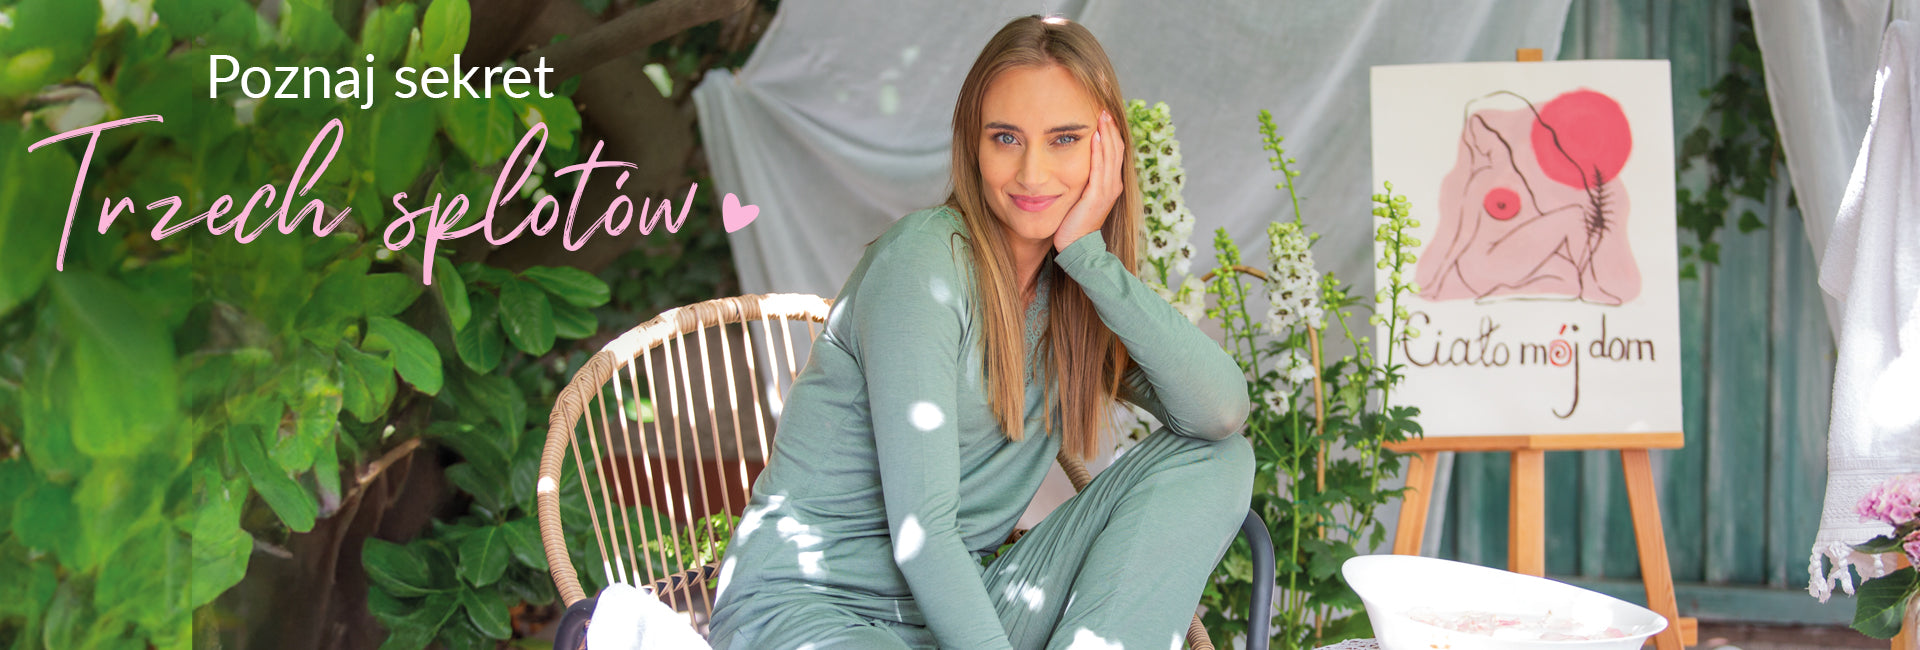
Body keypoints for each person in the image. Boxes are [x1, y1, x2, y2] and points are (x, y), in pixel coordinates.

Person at [706, 15, 1254, 650]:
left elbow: (1219, 414)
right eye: (1006, 137)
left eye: (1065, 139)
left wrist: (1091, 259)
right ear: (973, 144)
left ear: (1108, 150)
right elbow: (924, 534)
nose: (1032, 174)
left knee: (1219, 459)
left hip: (955, 615)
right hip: (808, 611)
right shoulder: (924, 263)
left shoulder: (1075, 295)